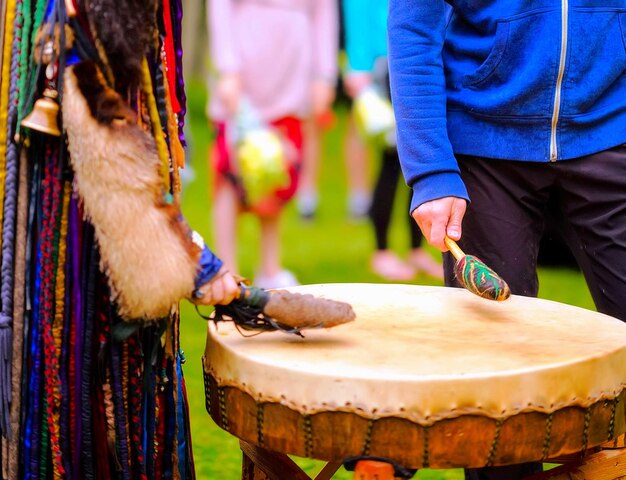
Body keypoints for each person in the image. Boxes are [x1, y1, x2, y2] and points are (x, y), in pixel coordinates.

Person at [388, 2, 626, 479]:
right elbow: (413, 26)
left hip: (612, 131)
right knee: (494, 369)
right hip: (483, 146)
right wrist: (431, 171)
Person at [208, 0, 338, 289]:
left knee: (278, 167)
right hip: (245, 64)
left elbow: (324, 13)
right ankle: (226, 269)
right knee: (230, 171)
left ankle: (270, 265)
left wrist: (324, 75)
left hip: (292, 72)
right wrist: (227, 67)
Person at [343, 0, 443, 281]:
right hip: (381, 65)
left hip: (417, 58)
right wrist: (357, 65)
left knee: (421, 156)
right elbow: (357, 10)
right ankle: (382, 251)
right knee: (391, 163)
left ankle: (416, 248)